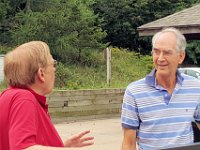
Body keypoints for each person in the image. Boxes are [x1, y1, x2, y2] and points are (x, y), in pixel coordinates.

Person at [0, 41, 94, 150]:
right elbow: (22, 147)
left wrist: (62, 146)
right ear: (41, 73)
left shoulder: (8, 96)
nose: (55, 69)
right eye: (53, 64)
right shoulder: (24, 99)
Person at [121, 27, 200, 150]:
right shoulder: (134, 92)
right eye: (156, 52)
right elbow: (129, 143)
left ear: (181, 56)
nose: (160, 58)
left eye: (167, 52)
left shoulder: (196, 87)